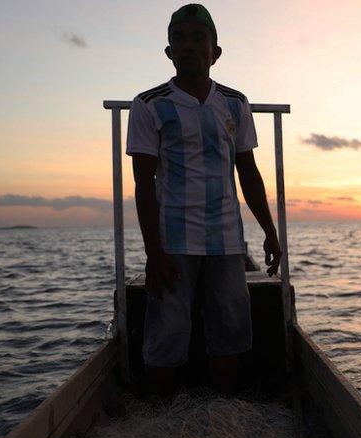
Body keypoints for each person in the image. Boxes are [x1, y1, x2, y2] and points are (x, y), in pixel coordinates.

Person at [126, 4, 281, 396]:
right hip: (172, 241)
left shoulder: (234, 103)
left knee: (230, 324)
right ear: (168, 52)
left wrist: (269, 231)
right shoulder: (149, 104)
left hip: (227, 238)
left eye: (199, 38)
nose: (189, 46)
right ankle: (161, 410)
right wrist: (153, 252)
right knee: (169, 329)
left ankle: (223, 407)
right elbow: (143, 184)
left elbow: (247, 171)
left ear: (216, 51)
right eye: (179, 39)